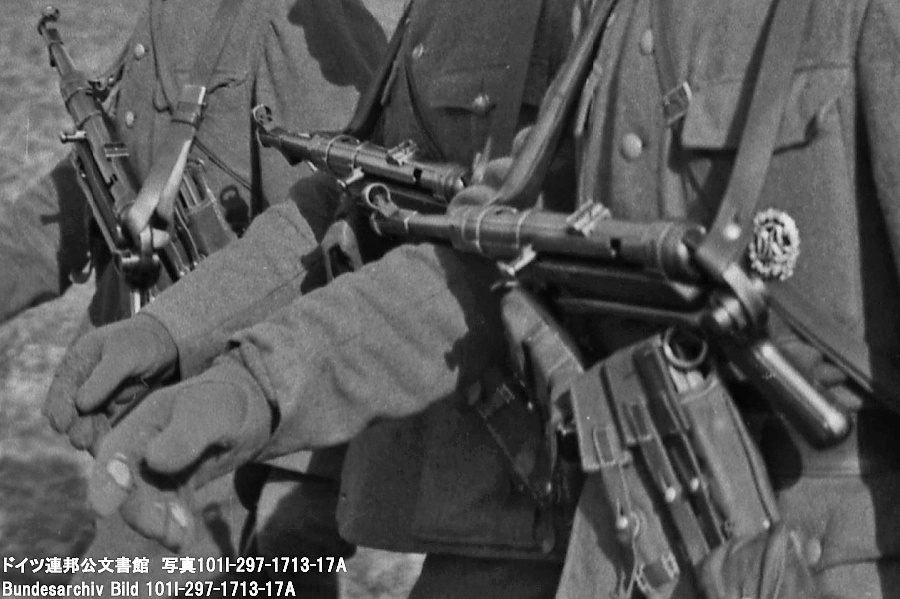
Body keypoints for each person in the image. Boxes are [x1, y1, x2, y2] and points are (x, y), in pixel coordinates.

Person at [49, 0, 900, 597]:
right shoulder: (610, 22)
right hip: (634, 537)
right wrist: (247, 381)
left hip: (786, 552)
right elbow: (482, 253)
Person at [4, 0, 391, 595]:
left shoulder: (305, 21)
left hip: (229, 450)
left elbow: (340, 244)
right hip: (141, 420)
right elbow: (109, 171)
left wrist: (300, 506)